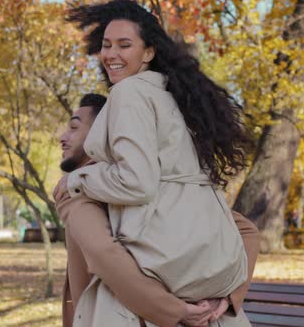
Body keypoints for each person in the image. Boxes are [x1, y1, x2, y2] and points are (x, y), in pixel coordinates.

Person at [64, 0, 256, 326]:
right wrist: (227, 297)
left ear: (149, 53)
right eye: (106, 45)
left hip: (152, 284)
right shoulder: (175, 99)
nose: (111, 54)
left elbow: (136, 182)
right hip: (210, 273)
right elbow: (248, 231)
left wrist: (77, 180)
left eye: (125, 45)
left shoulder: (128, 93)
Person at [54, 94, 259, 326]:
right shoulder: (156, 182)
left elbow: (104, 255)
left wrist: (177, 310)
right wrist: (227, 297)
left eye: (73, 128)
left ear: (102, 133)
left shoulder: (79, 189)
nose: (63, 137)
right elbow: (247, 232)